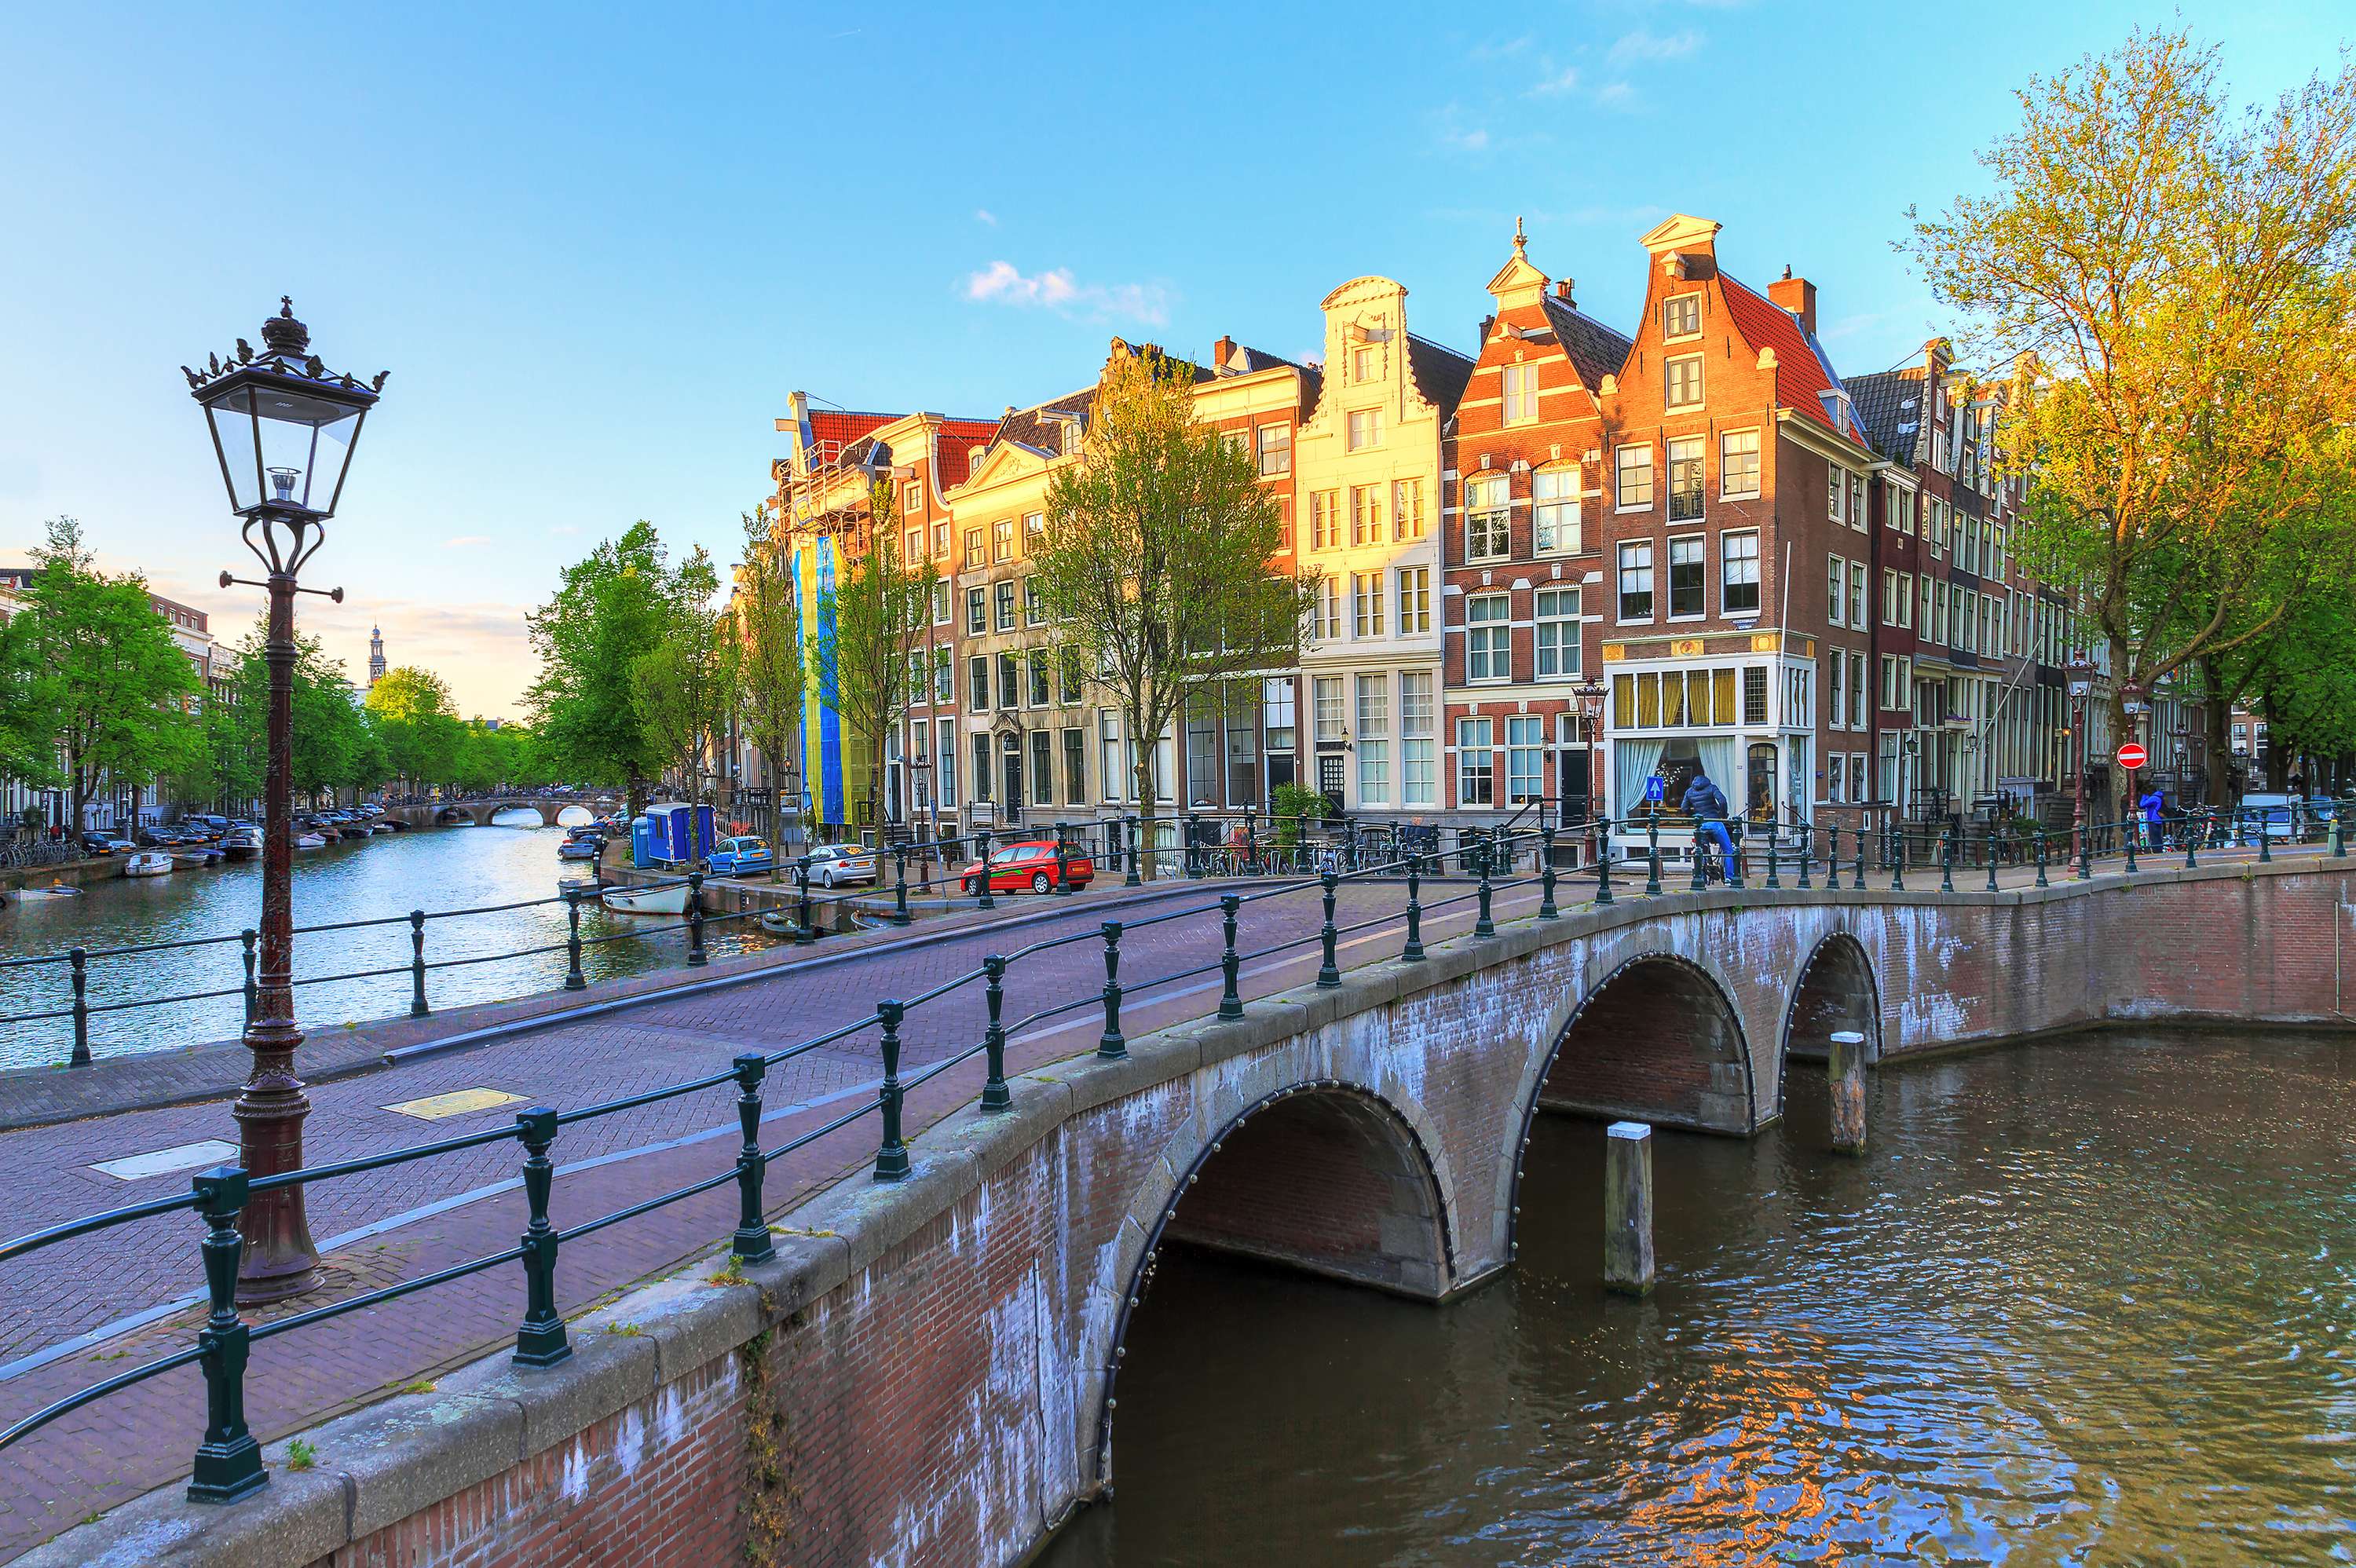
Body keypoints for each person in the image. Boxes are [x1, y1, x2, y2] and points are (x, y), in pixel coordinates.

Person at [1680, 769, 1738, 884]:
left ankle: (1701, 878)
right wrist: (1722, 815)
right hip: (1714, 822)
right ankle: (1729, 878)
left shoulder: (1690, 791)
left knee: (1700, 851)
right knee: (1728, 850)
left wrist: (1695, 816)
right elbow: (1722, 801)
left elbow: (1684, 808)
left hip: (1700, 825)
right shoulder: (1711, 788)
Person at [2138, 784, 2167, 851]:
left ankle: (2157, 851)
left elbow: (2142, 804)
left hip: (2153, 819)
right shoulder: (2159, 796)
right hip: (2159, 818)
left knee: (2154, 836)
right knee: (2158, 836)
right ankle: (2159, 849)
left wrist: (2144, 796)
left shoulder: (2154, 798)